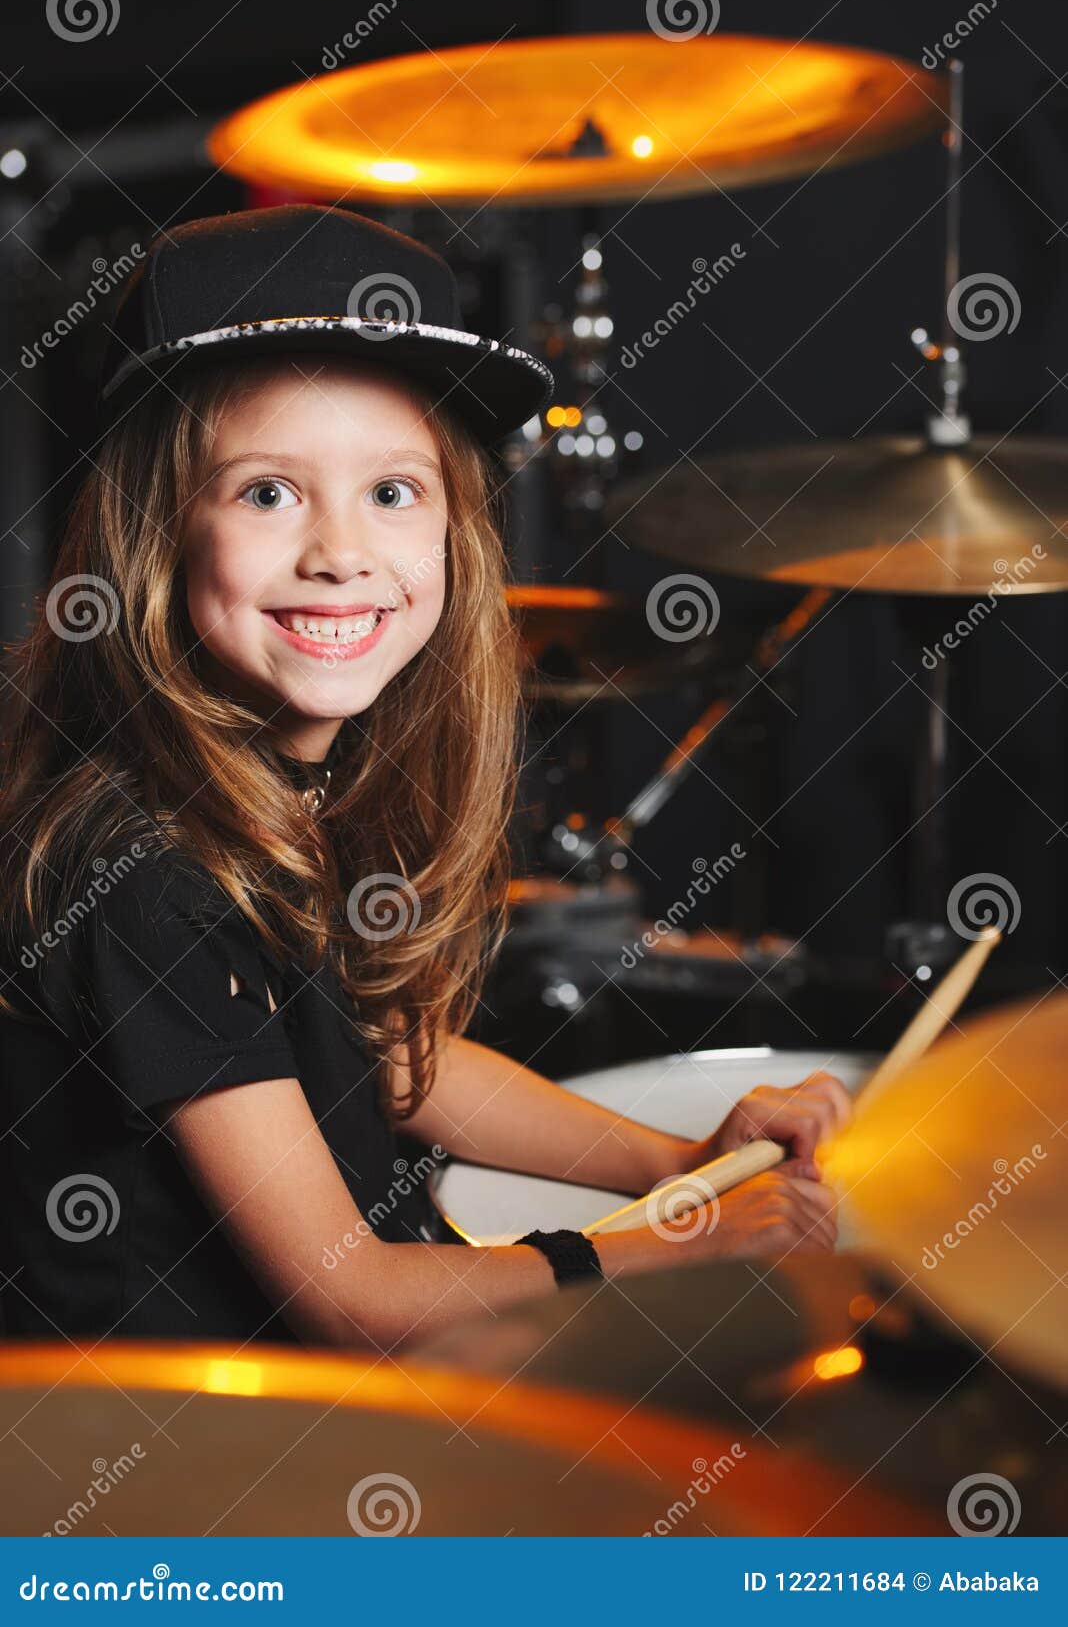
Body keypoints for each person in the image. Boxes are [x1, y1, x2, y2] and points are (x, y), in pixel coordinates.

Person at [0, 204, 849, 1357]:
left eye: (393, 492)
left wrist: (683, 1164)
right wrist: (677, 1240)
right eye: (267, 491)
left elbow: (401, 1064)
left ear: (455, 531)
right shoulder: (142, 873)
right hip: (203, 1474)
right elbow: (353, 1297)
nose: (340, 551)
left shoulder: (287, 776)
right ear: (158, 532)